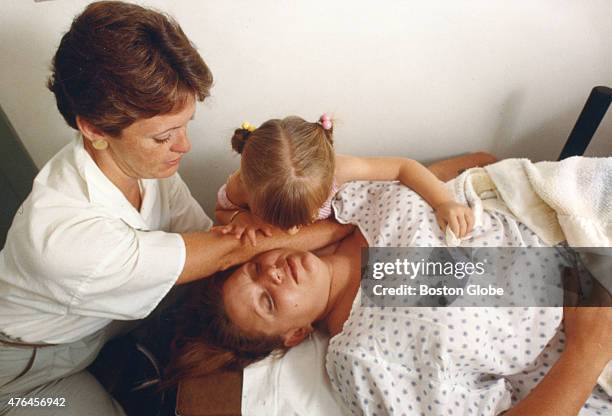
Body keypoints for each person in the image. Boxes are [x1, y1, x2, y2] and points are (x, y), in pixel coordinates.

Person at [0, 2, 353, 415]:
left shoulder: (144, 165)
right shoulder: (63, 239)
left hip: (99, 328)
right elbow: (230, 251)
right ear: (94, 130)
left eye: (185, 125)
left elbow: (222, 242)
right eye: (164, 136)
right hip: (24, 375)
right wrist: (348, 226)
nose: (184, 146)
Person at [168, 220, 611, 414]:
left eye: (254, 268)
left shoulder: (348, 216)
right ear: (294, 334)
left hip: (581, 238)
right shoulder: (362, 356)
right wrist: (587, 353)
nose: (274, 274)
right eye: (268, 301)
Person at [215, 115, 485, 245]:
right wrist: (241, 219)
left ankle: (466, 165)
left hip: (352, 212)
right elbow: (222, 210)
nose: (298, 226)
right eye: (284, 219)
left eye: (307, 214)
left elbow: (403, 167)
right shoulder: (242, 186)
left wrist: (444, 202)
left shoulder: (339, 169)